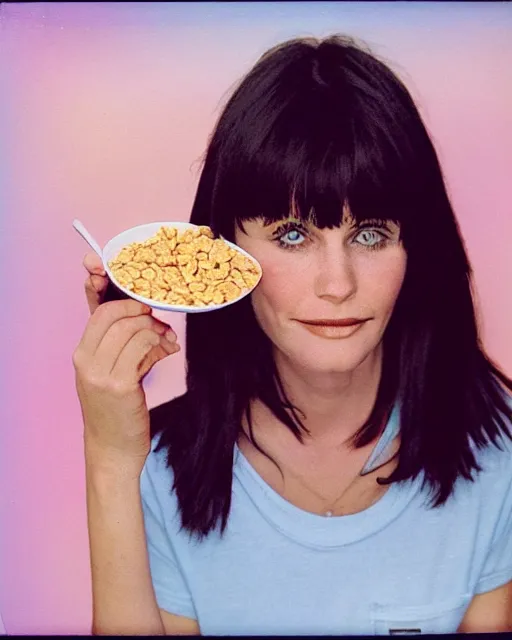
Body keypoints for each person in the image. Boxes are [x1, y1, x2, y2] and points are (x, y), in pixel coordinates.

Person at [73, 34, 512, 635]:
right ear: (221, 249)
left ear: (417, 248)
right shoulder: (159, 470)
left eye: (371, 235)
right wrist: (109, 456)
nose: (338, 285)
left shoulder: (499, 456)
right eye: (292, 235)